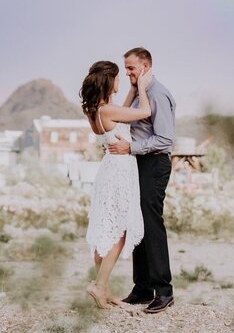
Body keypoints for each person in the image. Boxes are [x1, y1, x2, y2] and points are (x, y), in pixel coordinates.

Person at [104, 47, 176, 313]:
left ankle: (164, 291)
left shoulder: (157, 93)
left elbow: (166, 139)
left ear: (145, 66)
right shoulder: (139, 95)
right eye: (126, 68)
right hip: (138, 164)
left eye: (131, 68)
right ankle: (143, 288)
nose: (128, 73)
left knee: (152, 224)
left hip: (154, 164)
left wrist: (130, 148)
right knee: (138, 222)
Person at [79, 60, 152, 308]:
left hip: (109, 168)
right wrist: (141, 86)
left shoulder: (96, 110)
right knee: (119, 229)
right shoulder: (108, 111)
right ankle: (99, 285)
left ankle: (105, 289)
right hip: (120, 171)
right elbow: (144, 111)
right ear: (110, 82)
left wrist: (132, 87)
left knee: (104, 228)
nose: (122, 82)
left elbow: (120, 111)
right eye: (119, 78)